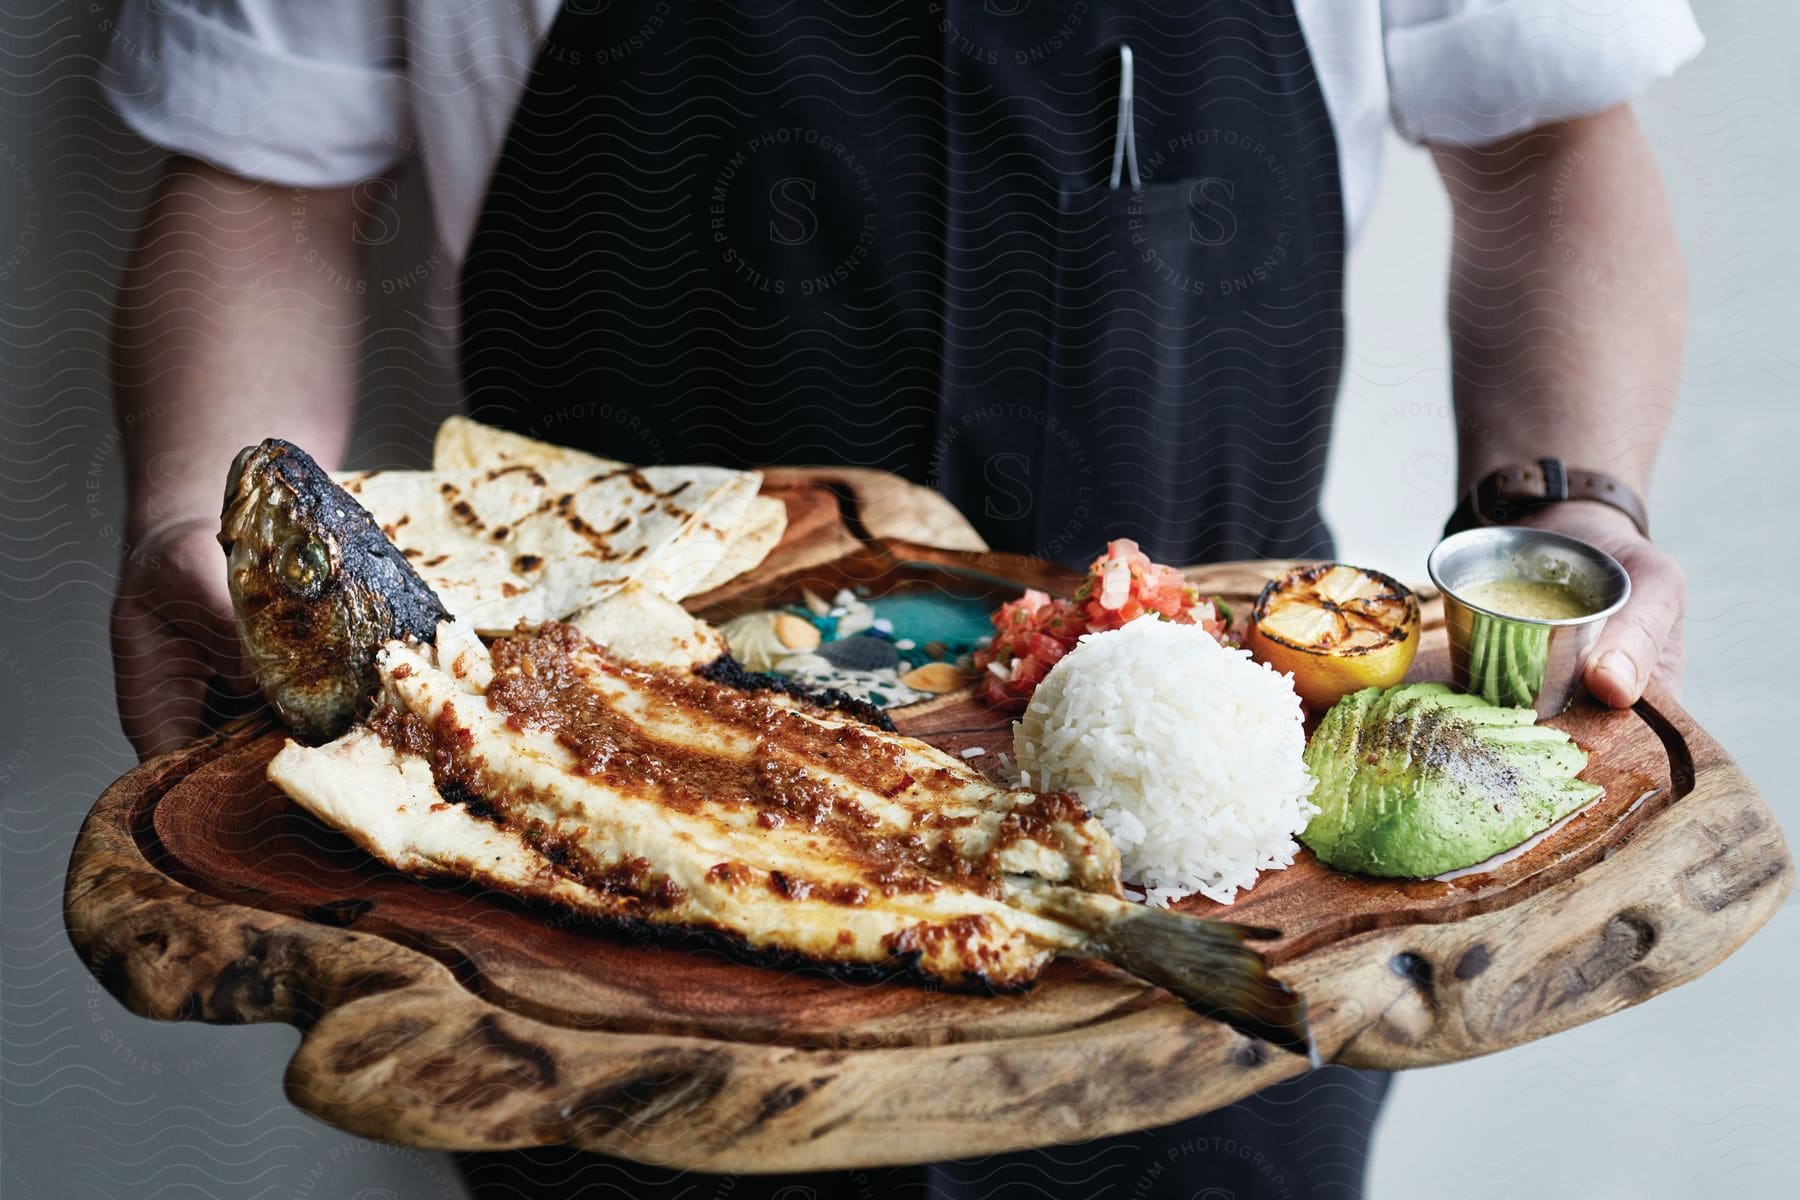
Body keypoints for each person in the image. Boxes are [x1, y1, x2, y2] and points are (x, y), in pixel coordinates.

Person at [100, 2, 1701, 1197]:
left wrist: (1564, 509)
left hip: (1231, 902)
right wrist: (194, 519)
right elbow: (263, 184)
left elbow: (1547, 144)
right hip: (601, 946)